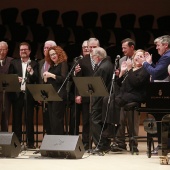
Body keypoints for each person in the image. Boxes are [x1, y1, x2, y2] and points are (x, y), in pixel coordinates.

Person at [137, 35, 170, 154]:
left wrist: (145, 63)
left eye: (158, 45)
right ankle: (162, 144)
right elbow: (157, 72)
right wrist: (150, 63)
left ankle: (163, 145)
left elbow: (155, 74)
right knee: (161, 119)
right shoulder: (165, 57)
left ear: (165, 45)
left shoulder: (167, 57)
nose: (156, 48)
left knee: (162, 119)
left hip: (164, 93)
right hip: (163, 92)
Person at [8, 42, 39, 148]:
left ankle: (30, 143)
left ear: (29, 51)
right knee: (16, 120)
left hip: (29, 95)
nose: (23, 51)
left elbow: (36, 79)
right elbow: (9, 77)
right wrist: (15, 79)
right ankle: (16, 143)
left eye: (25, 49)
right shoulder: (14, 62)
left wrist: (31, 72)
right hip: (17, 95)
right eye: (21, 50)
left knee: (29, 119)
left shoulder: (34, 63)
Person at [114, 38, 141, 152]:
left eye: (125, 48)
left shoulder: (138, 58)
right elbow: (121, 79)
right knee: (120, 119)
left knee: (132, 121)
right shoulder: (122, 60)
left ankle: (133, 144)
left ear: (132, 47)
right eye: (122, 48)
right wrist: (120, 74)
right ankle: (120, 143)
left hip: (134, 94)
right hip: (123, 93)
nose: (123, 50)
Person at [74, 38, 101, 150]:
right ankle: (86, 142)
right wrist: (78, 94)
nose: (92, 49)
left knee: (98, 120)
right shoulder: (82, 61)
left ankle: (99, 143)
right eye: (90, 47)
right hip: (86, 95)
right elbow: (78, 80)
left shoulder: (104, 59)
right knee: (86, 121)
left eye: (95, 47)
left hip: (100, 95)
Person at [90, 47, 113, 154]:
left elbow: (98, 86)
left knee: (95, 120)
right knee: (102, 121)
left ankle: (99, 145)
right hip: (105, 97)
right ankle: (105, 144)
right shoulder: (108, 64)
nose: (93, 58)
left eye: (93, 56)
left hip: (100, 98)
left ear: (98, 57)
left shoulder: (102, 68)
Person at [43, 46, 68, 135]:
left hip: (59, 95)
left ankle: (59, 141)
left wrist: (51, 75)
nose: (52, 56)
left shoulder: (63, 64)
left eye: (54, 54)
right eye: (50, 55)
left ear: (59, 54)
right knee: (51, 119)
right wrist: (45, 79)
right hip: (51, 95)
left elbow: (63, 79)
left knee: (57, 119)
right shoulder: (52, 67)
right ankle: (53, 140)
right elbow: (49, 82)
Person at [69, 40, 89, 135]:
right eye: (84, 47)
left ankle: (86, 141)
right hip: (76, 93)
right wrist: (75, 72)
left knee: (86, 119)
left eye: (87, 47)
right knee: (74, 118)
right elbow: (72, 78)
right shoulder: (77, 60)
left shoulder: (93, 61)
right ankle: (73, 138)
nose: (85, 48)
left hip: (88, 94)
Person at [38, 40, 57, 134]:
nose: (46, 49)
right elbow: (39, 79)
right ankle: (48, 138)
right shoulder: (41, 62)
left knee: (54, 119)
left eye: (48, 48)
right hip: (44, 95)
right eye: (45, 48)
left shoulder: (56, 62)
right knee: (46, 119)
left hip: (54, 94)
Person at [0, 41, 13, 132]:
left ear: (7, 50)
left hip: (7, 94)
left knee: (5, 117)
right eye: (0, 50)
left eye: (4, 50)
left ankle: (4, 139)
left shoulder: (11, 61)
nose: (2, 52)